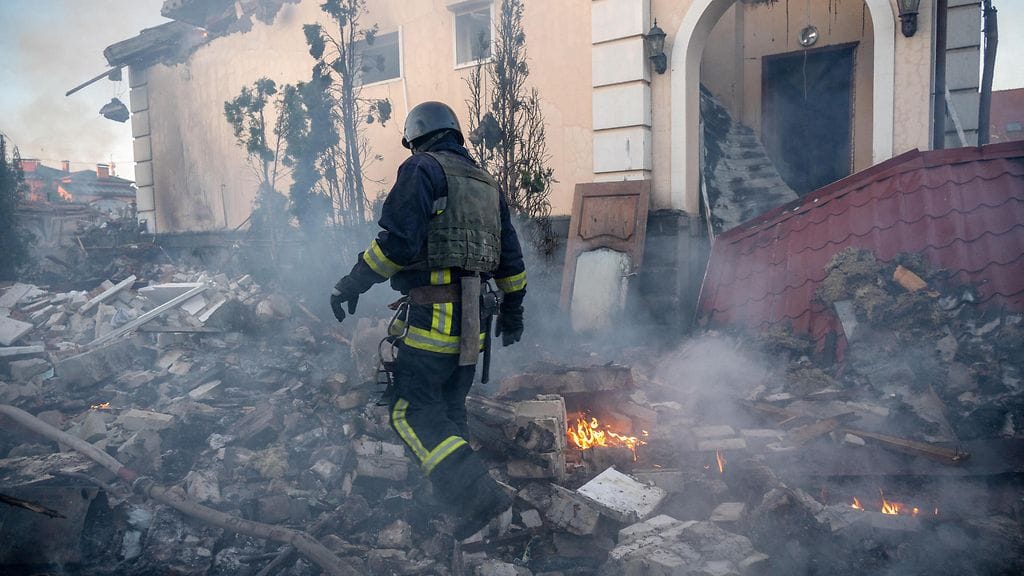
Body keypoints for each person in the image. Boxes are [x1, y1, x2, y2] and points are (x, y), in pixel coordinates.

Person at [330, 101, 527, 539]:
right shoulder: (487, 184)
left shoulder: (422, 169)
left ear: (416, 138)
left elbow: (396, 245)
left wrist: (351, 284)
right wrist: (513, 316)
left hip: (432, 322)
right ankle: (461, 506)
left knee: (409, 412)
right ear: (454, 133)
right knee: (449, 411)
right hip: (474, 328)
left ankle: (479, 495)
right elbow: (511, 264)